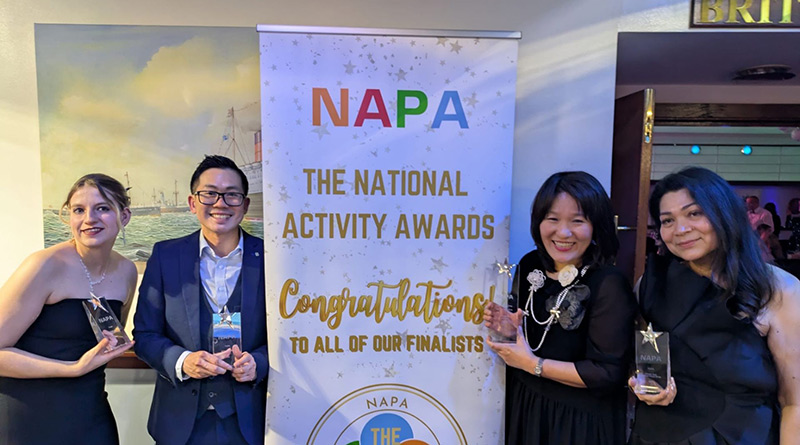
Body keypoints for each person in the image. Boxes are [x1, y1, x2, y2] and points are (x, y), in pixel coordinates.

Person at [630, 167, 800, 444]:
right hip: (659, 433)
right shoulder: (650, 285)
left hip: (741, 435)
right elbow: (646, 359)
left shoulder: (778, 289)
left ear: (724, 213)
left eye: (694, 213)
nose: (680, 230)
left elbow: (795, 402)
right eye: (667, 220)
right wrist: (642, 383)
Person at [484, 171, 635, 444]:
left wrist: (532, 364)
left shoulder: (608, 283)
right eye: (552, 219)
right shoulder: (530, 264)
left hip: (579, 424)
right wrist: (510, 331)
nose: (563, 232)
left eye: (577, 221)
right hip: (527, 407)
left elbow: (607, 373)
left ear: (596, 225)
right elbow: (535, 339)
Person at [134, 155, 268, 445]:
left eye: (232, 195)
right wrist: (182, 361)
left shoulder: (271, 258)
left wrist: (259, 363)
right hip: (179, 424)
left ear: (245, 204)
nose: (220, 203)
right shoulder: (165, 256)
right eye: (209, 193)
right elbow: (145, 335)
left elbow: (292, 337)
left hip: (253, 422)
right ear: (193, 203)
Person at [0, 174, 137, 445]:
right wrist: (73, 368)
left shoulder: (126, 271)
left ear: (124, 215)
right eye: (78, 210)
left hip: (90, 412)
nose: (89, 219)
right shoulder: (44, 265)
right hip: (29, 416)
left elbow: (109, 339)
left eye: (102, 208)